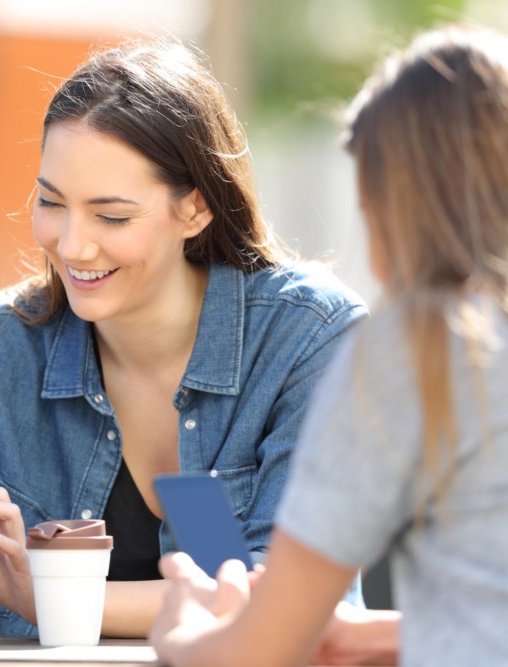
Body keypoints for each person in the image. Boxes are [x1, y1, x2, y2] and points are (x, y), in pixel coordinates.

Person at [0, 37, 367, 638]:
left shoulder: (308, 338)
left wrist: (54, 600)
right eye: (51, 202)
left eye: (111, 216)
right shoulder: (1, 348)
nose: (72, 246)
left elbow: (289, 599)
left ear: (194, 210)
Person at [149, 24, 508, 667]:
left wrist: (180, 633)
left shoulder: (423, 347)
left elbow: (259, 654)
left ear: (396, 206)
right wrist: (385, 637)